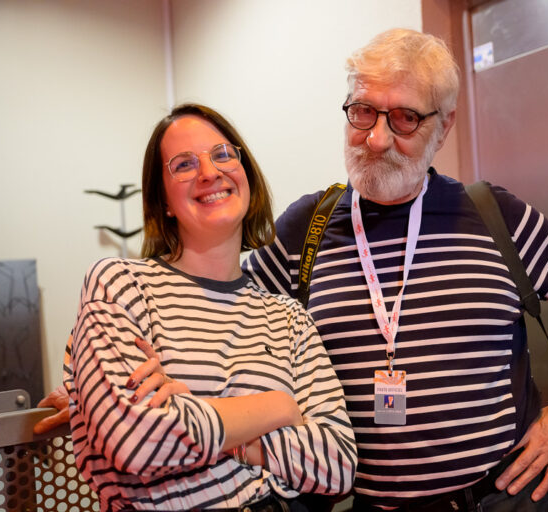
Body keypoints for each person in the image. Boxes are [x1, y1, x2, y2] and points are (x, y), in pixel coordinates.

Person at [38, 29, 548, 512]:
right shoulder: (308, 228)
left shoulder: (493, 216)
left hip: (499, 500)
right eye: (362, 112)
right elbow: (219, 312)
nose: (376, 138)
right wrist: (101, 385)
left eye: (404, 118)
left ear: (444, 125)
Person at [60, 103, 356, 511]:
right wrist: (278, 406)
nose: (209, 172)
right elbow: (137, 442)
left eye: (222, 154)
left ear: (245, 175)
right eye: (183, 164)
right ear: (163, 201)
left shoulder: (288, 318)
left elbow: (338, 463)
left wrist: (195, 419)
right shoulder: (120, 286)